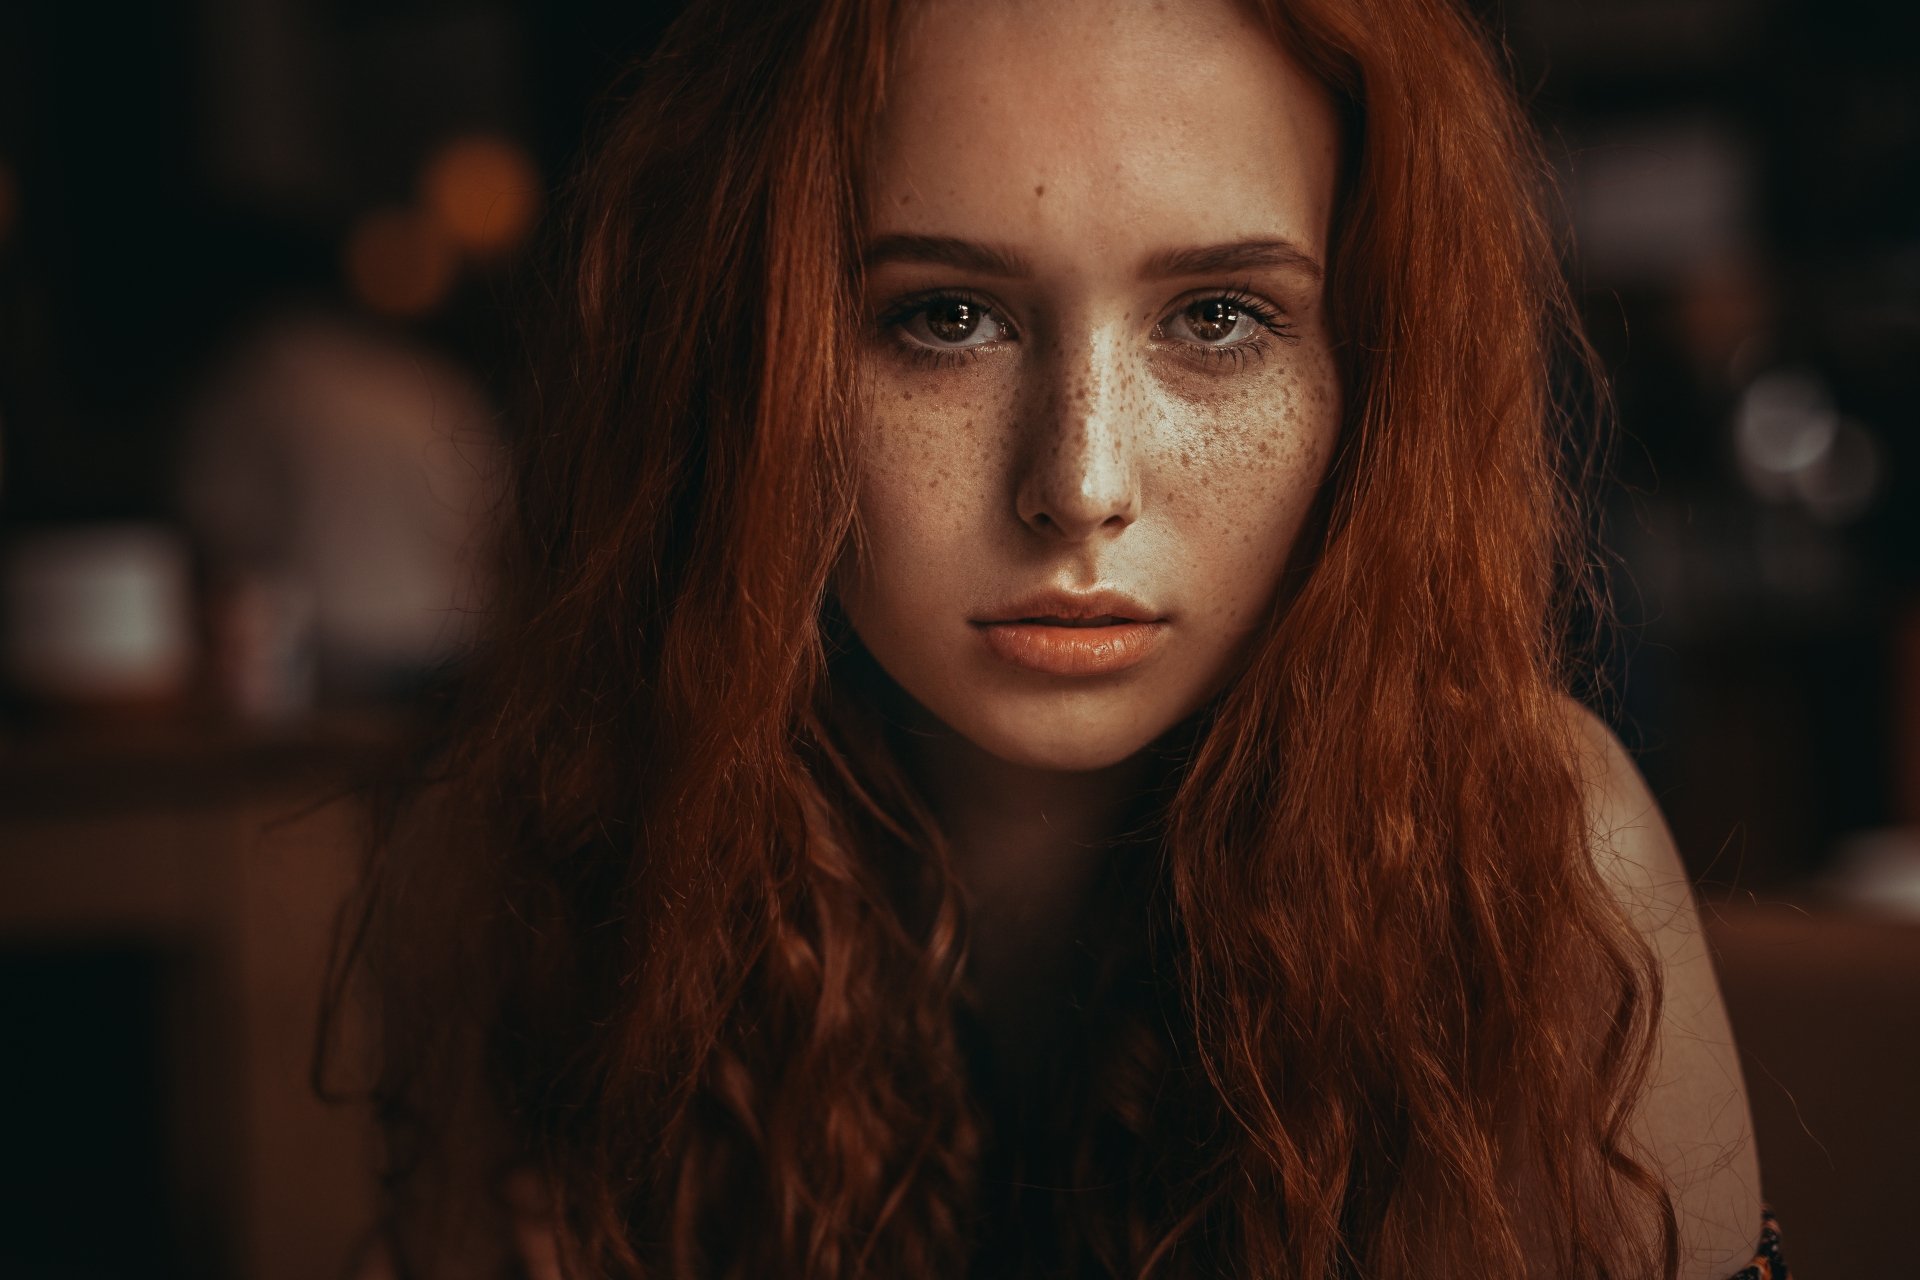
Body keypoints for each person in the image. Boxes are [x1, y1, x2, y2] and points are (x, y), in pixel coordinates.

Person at [328, 0, 1784, 1276]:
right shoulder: (526, 876)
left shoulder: (1527, 858)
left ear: (1372, 372)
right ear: (748, 363)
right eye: (947, 318)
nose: (1080, 482)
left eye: (1217, 318)